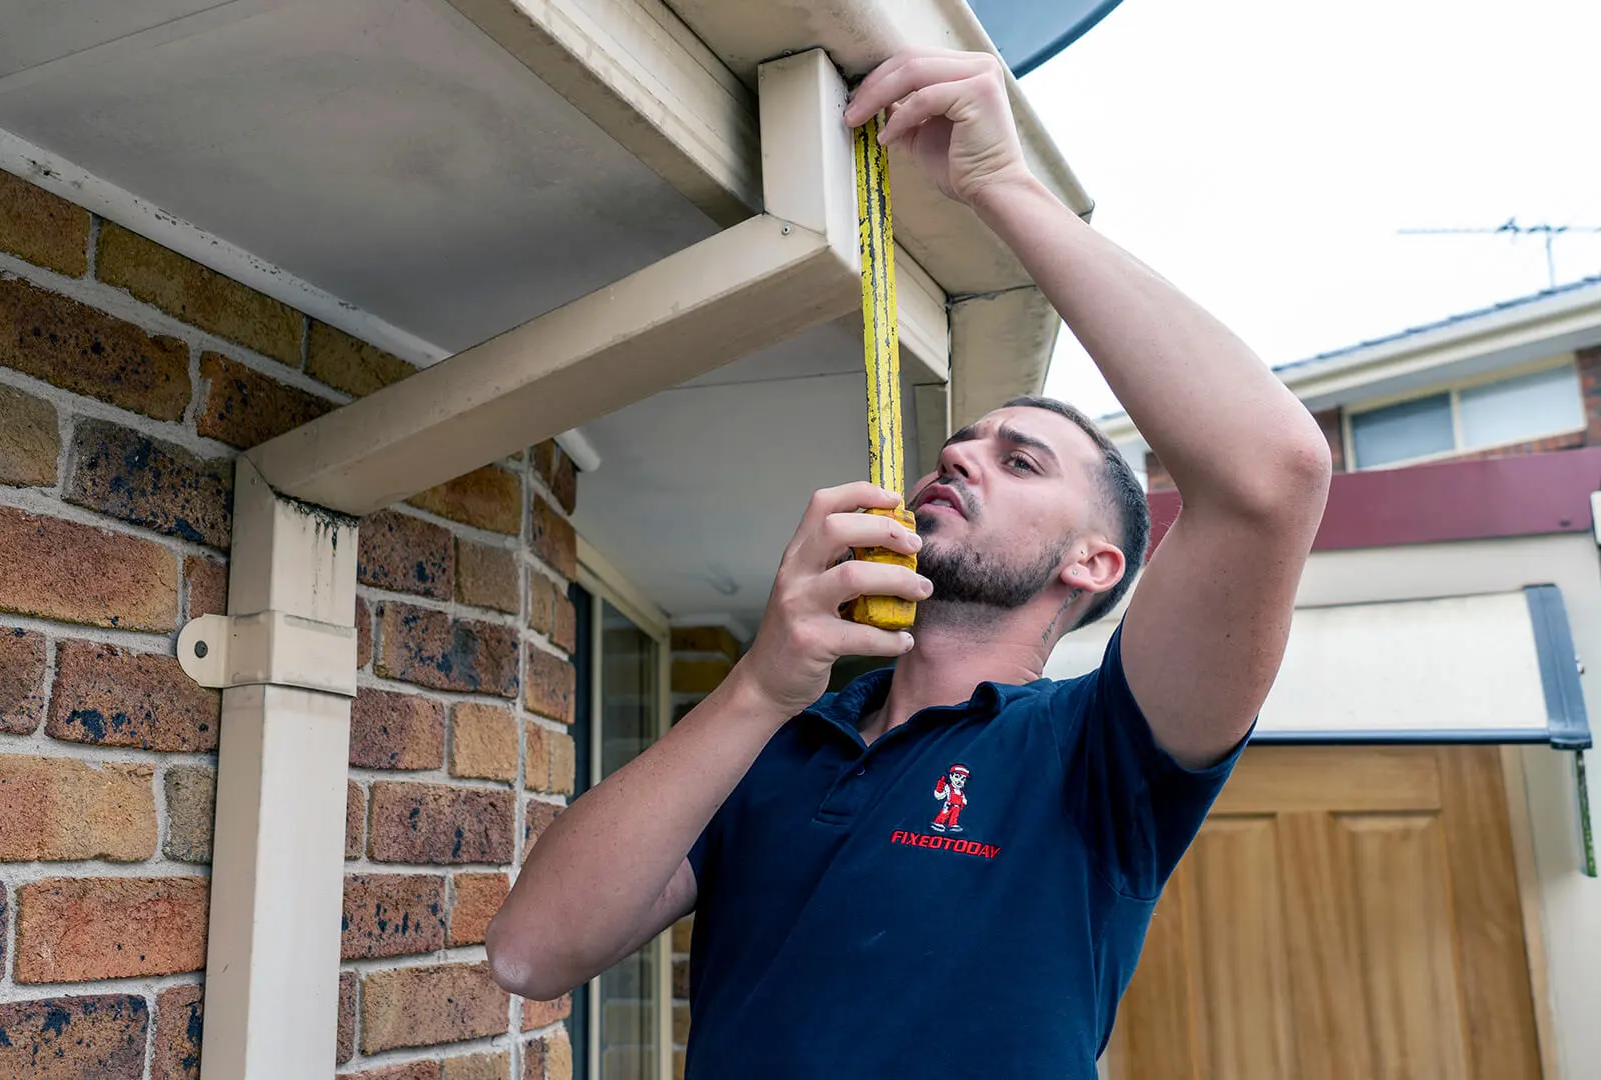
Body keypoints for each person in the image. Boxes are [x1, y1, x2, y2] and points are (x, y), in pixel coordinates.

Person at [486, 45, 1332, 1077]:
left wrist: (997, 184)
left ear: (1094, 564)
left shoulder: (1102, 753)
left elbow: (1274, 475)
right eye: (960, 445)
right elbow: (530, 953)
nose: (963, 456)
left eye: (1019, 461)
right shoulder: (778, 744)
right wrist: (758, 684)